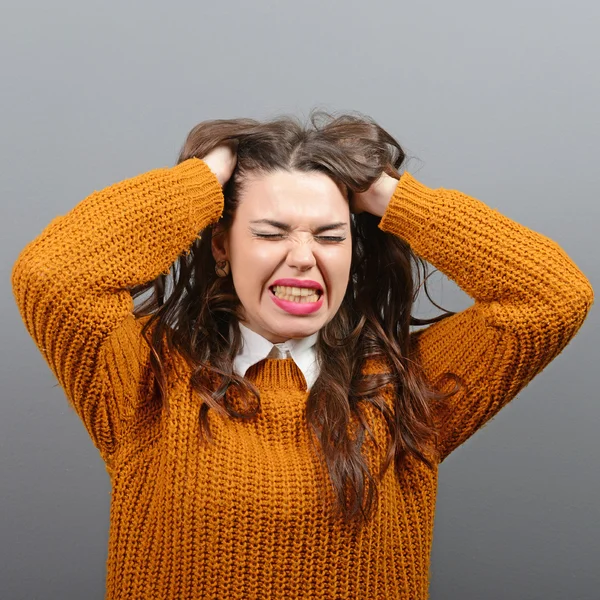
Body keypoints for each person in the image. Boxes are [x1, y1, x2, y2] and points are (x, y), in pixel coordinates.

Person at [11, 110, 594, 599]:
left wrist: (389, 194)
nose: (302, 256)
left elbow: (552, 296)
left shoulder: (403, 384)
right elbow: (53, 275)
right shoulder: (145, 375)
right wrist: (205, 176)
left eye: (329, 235)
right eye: (270, 232)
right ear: (222, 245)